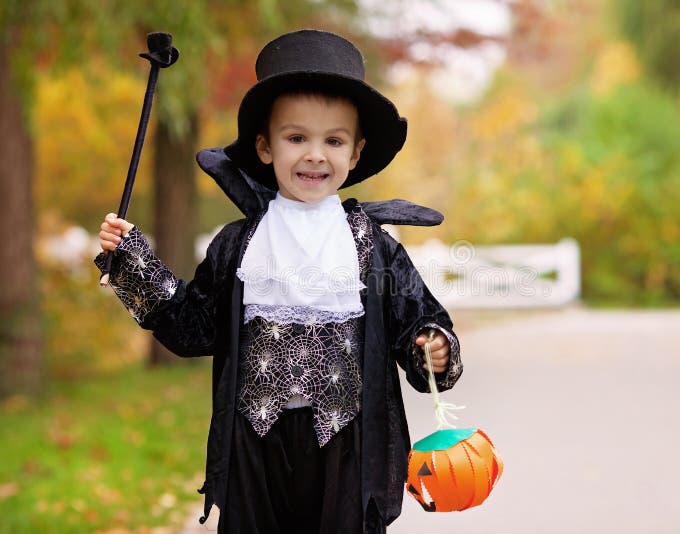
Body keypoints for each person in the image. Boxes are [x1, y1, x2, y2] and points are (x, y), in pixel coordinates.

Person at [96, 29, 462, 534]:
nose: (315, 155)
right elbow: (194, 328)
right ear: (265, 147)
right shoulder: (239, 246)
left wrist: (433, 345)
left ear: (354, 154)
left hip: (348, 448)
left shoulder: (373, 248)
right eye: (296, 138)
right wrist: (133, 262)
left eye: (333, 141)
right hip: (256, 446)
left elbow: (416, 320)